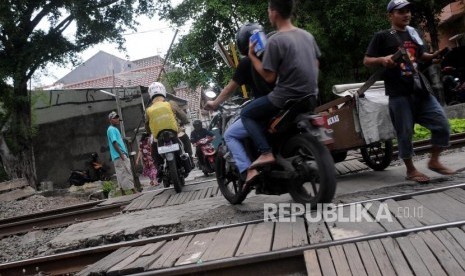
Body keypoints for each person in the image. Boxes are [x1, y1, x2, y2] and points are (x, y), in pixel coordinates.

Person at [363, 0, 455, 184]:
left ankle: (434, 161)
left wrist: (434, 56)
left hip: (419, 90)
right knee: (404, 133)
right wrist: (382, 59)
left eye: (408, 11)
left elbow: (421, 56)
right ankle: (411, 170)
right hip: (398, 94)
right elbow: (366, 60)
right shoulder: (382, 36)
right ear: (390, 15)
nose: (406, 14)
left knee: (442, 124)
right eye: (400, 11)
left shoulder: (413, 33)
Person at [240, 0, 321, 184]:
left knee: (247, 114)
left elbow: (269, 77)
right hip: (311, 95)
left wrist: (252, 56)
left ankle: (266, 152)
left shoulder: (275, 40)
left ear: (274, 13)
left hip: (284, 98)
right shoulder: (307, 35)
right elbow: (316, 64)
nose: (269, 14)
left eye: (269, 10)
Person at [204, 23, 278, 183]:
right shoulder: (275, 53)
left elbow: (230, 89)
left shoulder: (247, 63)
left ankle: (248, 170)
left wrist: (215, 103)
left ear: (243, 44)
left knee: (230, 134)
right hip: (287, 101)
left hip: (266, 107)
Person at [145, 82, 191, 181]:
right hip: (174, 133)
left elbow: (147, 125)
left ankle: (159, 168)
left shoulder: (148, 110)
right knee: (186, 139)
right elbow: (182, 115)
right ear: (163, 91)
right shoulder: (170, 103)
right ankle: (189, 159)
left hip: (158, 136)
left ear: (150, 95)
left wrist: (150, 133)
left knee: (154, 149)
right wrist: (185, 121)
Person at [107, 111, 138, 195]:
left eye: (117, 118)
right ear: (110, 120)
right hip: (119, 155)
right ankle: (133, 190)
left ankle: (123, 192)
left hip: (117, 156)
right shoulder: (112, 129)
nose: (117, 119)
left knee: (121, 173)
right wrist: (121, 154)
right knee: (126, 172)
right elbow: (114, 142)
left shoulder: (114, 129)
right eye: (115, 118)